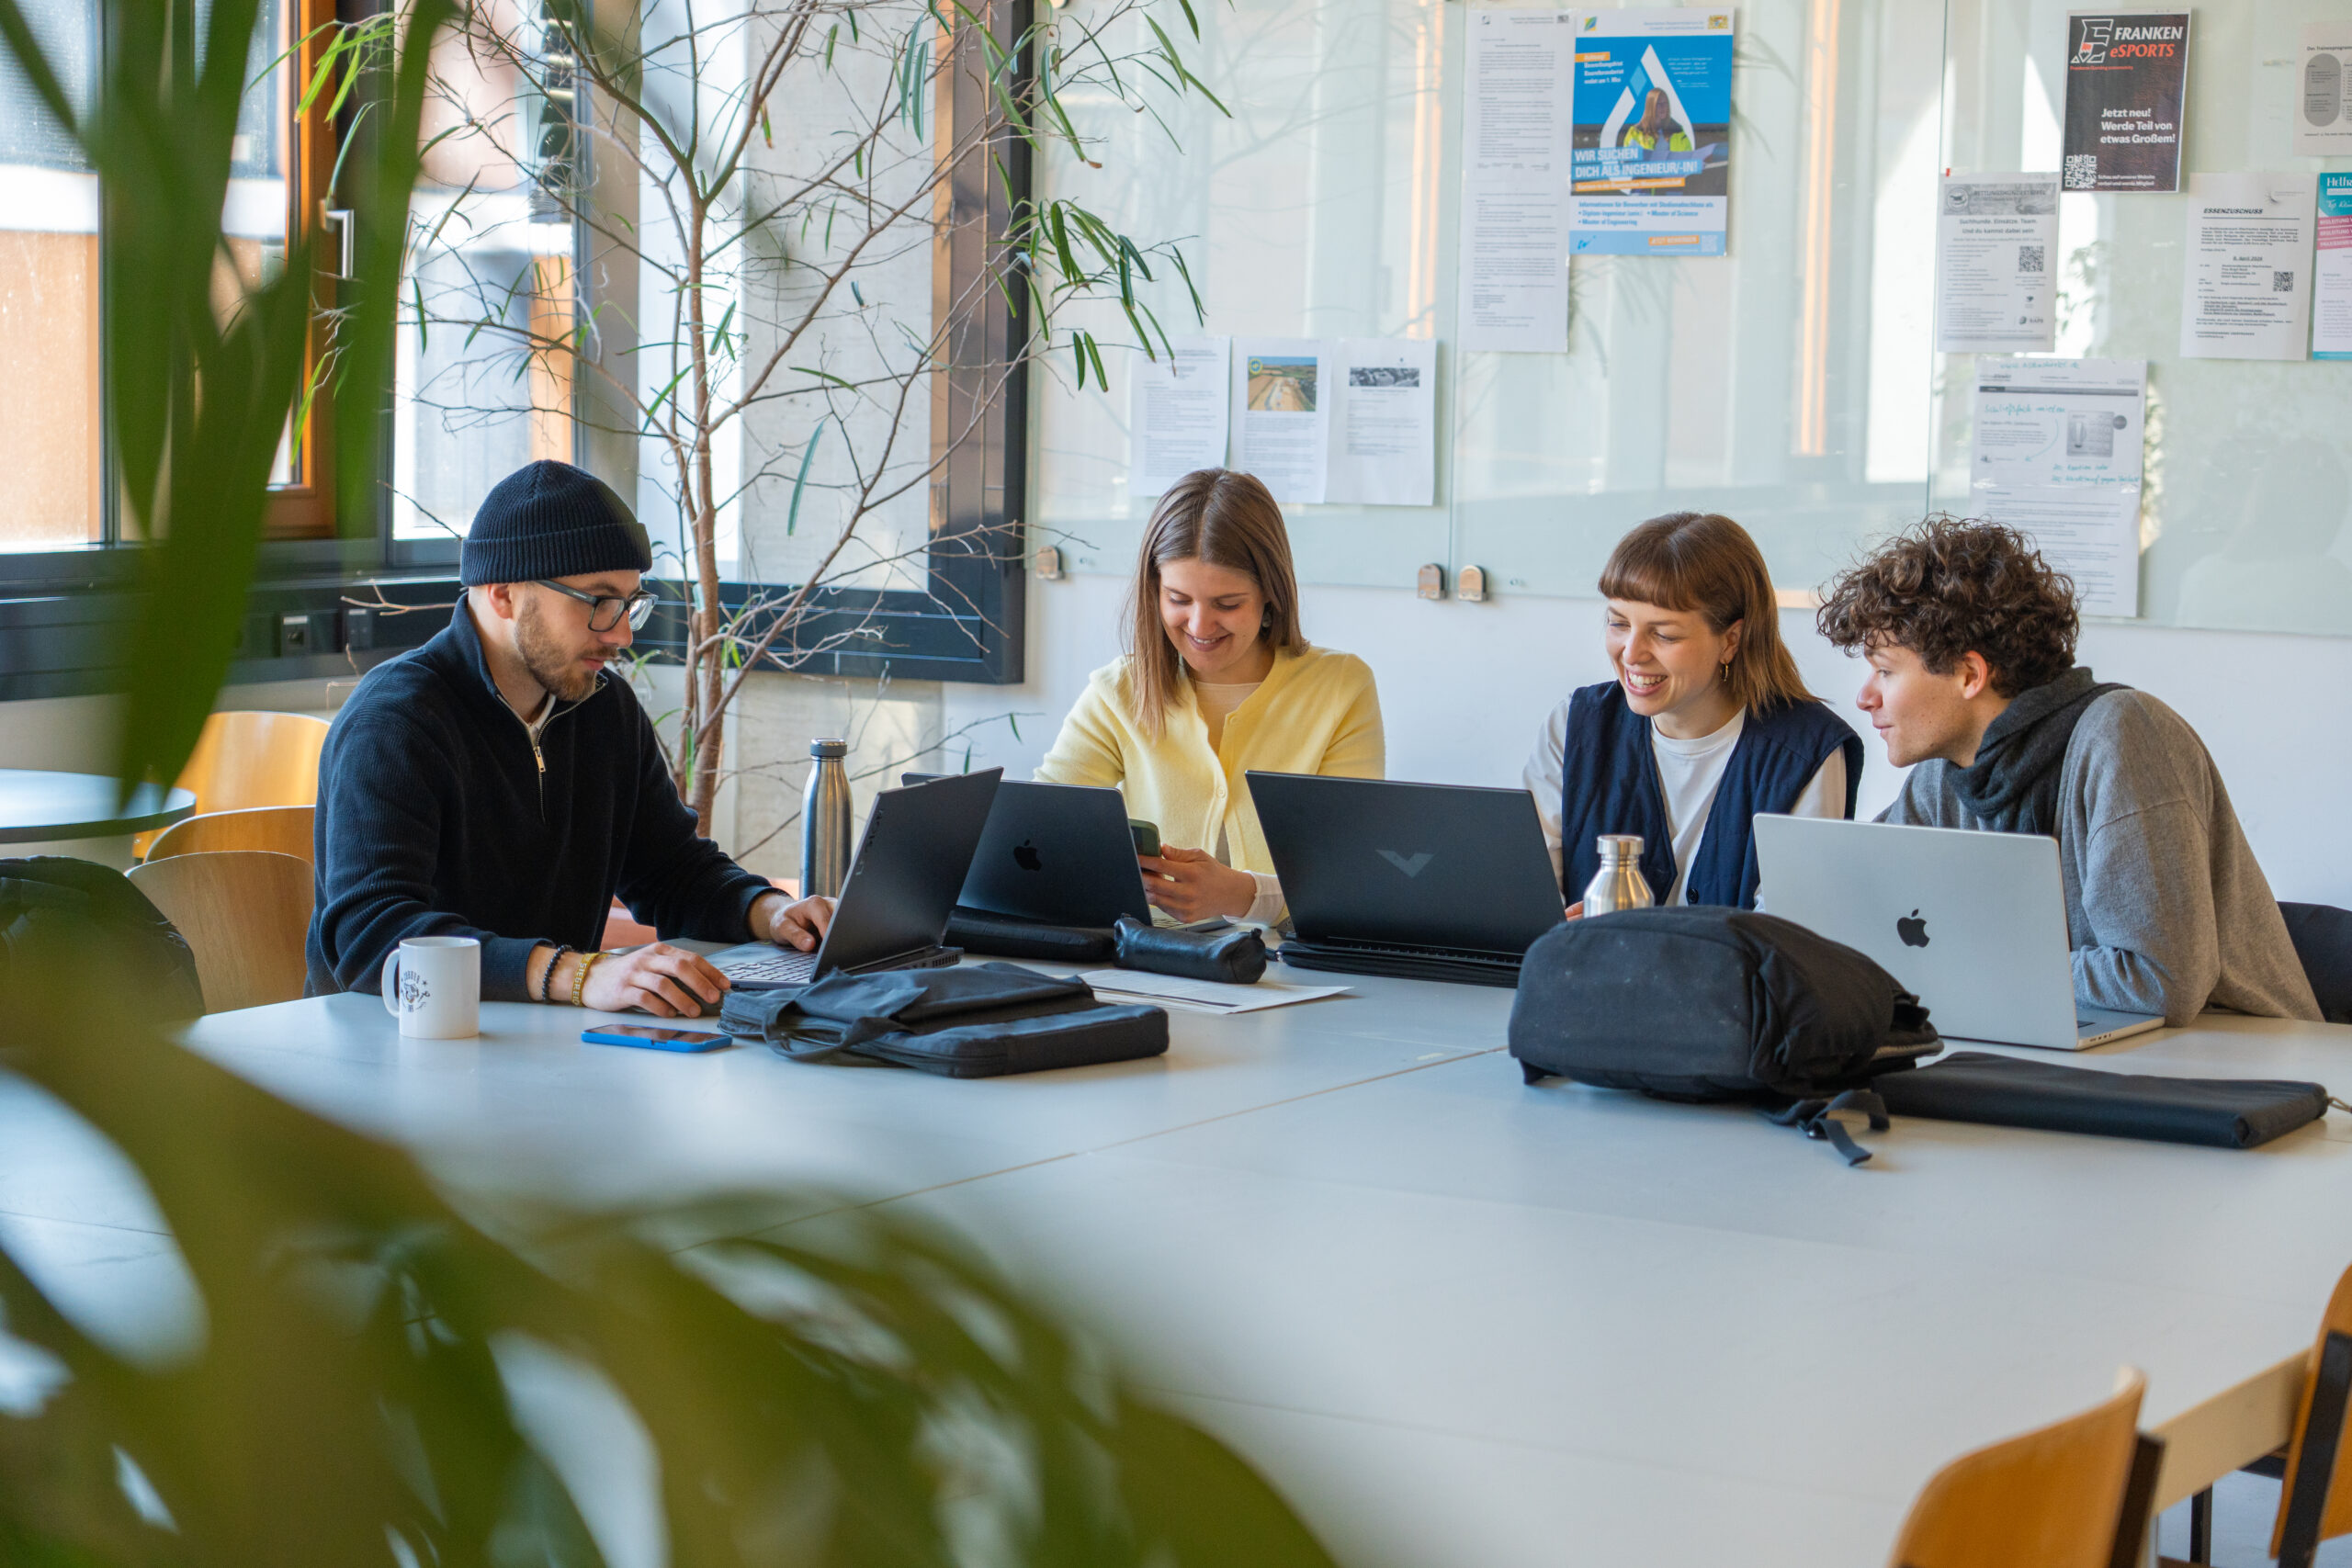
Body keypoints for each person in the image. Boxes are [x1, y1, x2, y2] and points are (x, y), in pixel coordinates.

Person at [306, 459, 833, 1016]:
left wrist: (770, 912)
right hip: (392, 1056)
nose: (623, 633)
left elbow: (671, 869)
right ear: (505, 594)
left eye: (630, 603)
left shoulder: (604, 707)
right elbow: (371, 936)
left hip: (546, 1048)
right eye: (599, 601)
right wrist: (576, 973)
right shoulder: (396, 721)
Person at [1816, 517, 2319, 1025]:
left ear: (1970, 675)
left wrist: (1975, 969)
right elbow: (1855, 895)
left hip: (2241, 1059)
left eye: (1884, 670)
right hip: (2078, 1043)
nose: (1864, 696)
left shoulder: (2124, 735)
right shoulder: (1945, 777)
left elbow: (2161, 981)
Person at [1035, 468, 1384, 923]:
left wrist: (1248, 896)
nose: (1199, 627)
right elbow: (1036, 833)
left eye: (1227, 604)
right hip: (1145, 962)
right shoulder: (1117, 690)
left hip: (1290, 969)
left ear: (1270, 597)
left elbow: (1355, 875)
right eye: (1178, 599)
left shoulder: (1340, 686)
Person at [1523, 511, 1860, 911]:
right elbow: (1527, 900)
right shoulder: (1574, 725)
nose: (1631, 653)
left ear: (1731, 640)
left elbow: (1787, 938)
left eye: (1664, 634)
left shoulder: (1808, 752)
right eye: (1618, 624)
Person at [1621, 87, 1692, 153]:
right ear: (1650, 106)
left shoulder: (1679, 133)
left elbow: (1690, 159)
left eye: (1665, 103)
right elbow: (1627, 162)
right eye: (1659, 103)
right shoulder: (1635, 133)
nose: (1663, 107)